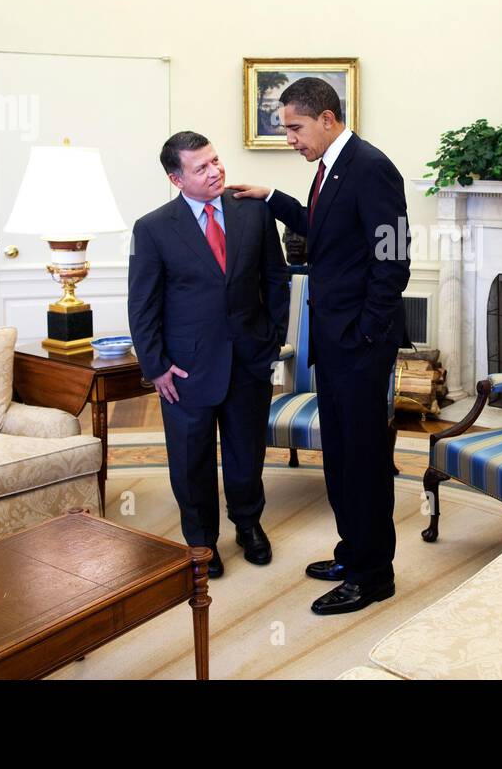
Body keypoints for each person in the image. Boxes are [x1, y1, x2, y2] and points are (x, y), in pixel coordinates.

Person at [230, 77, 410, 615]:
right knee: (341, 456)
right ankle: (352, 550)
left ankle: (373, 574)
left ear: (326, 118)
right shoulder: (329, 169)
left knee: (362, 458)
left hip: (358, 343)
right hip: (334, 343)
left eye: (294, 127)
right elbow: (327, 228)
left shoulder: (371, 167)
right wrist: (274, 198)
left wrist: (368, 333)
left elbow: (393, 256)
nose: (289, 137)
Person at [128, 131, 290, 578]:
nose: (216, 171)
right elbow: (142, 305)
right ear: (176, 179)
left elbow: (276, 278)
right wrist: (156, 365)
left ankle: (249, 524)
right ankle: (201, 541)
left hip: (249, 358)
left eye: (216, 161)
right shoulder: (153, 228)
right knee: (191, 459)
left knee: (246, 452)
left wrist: (272, 337)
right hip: (185, 369)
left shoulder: (253, 212)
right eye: (201, 167)